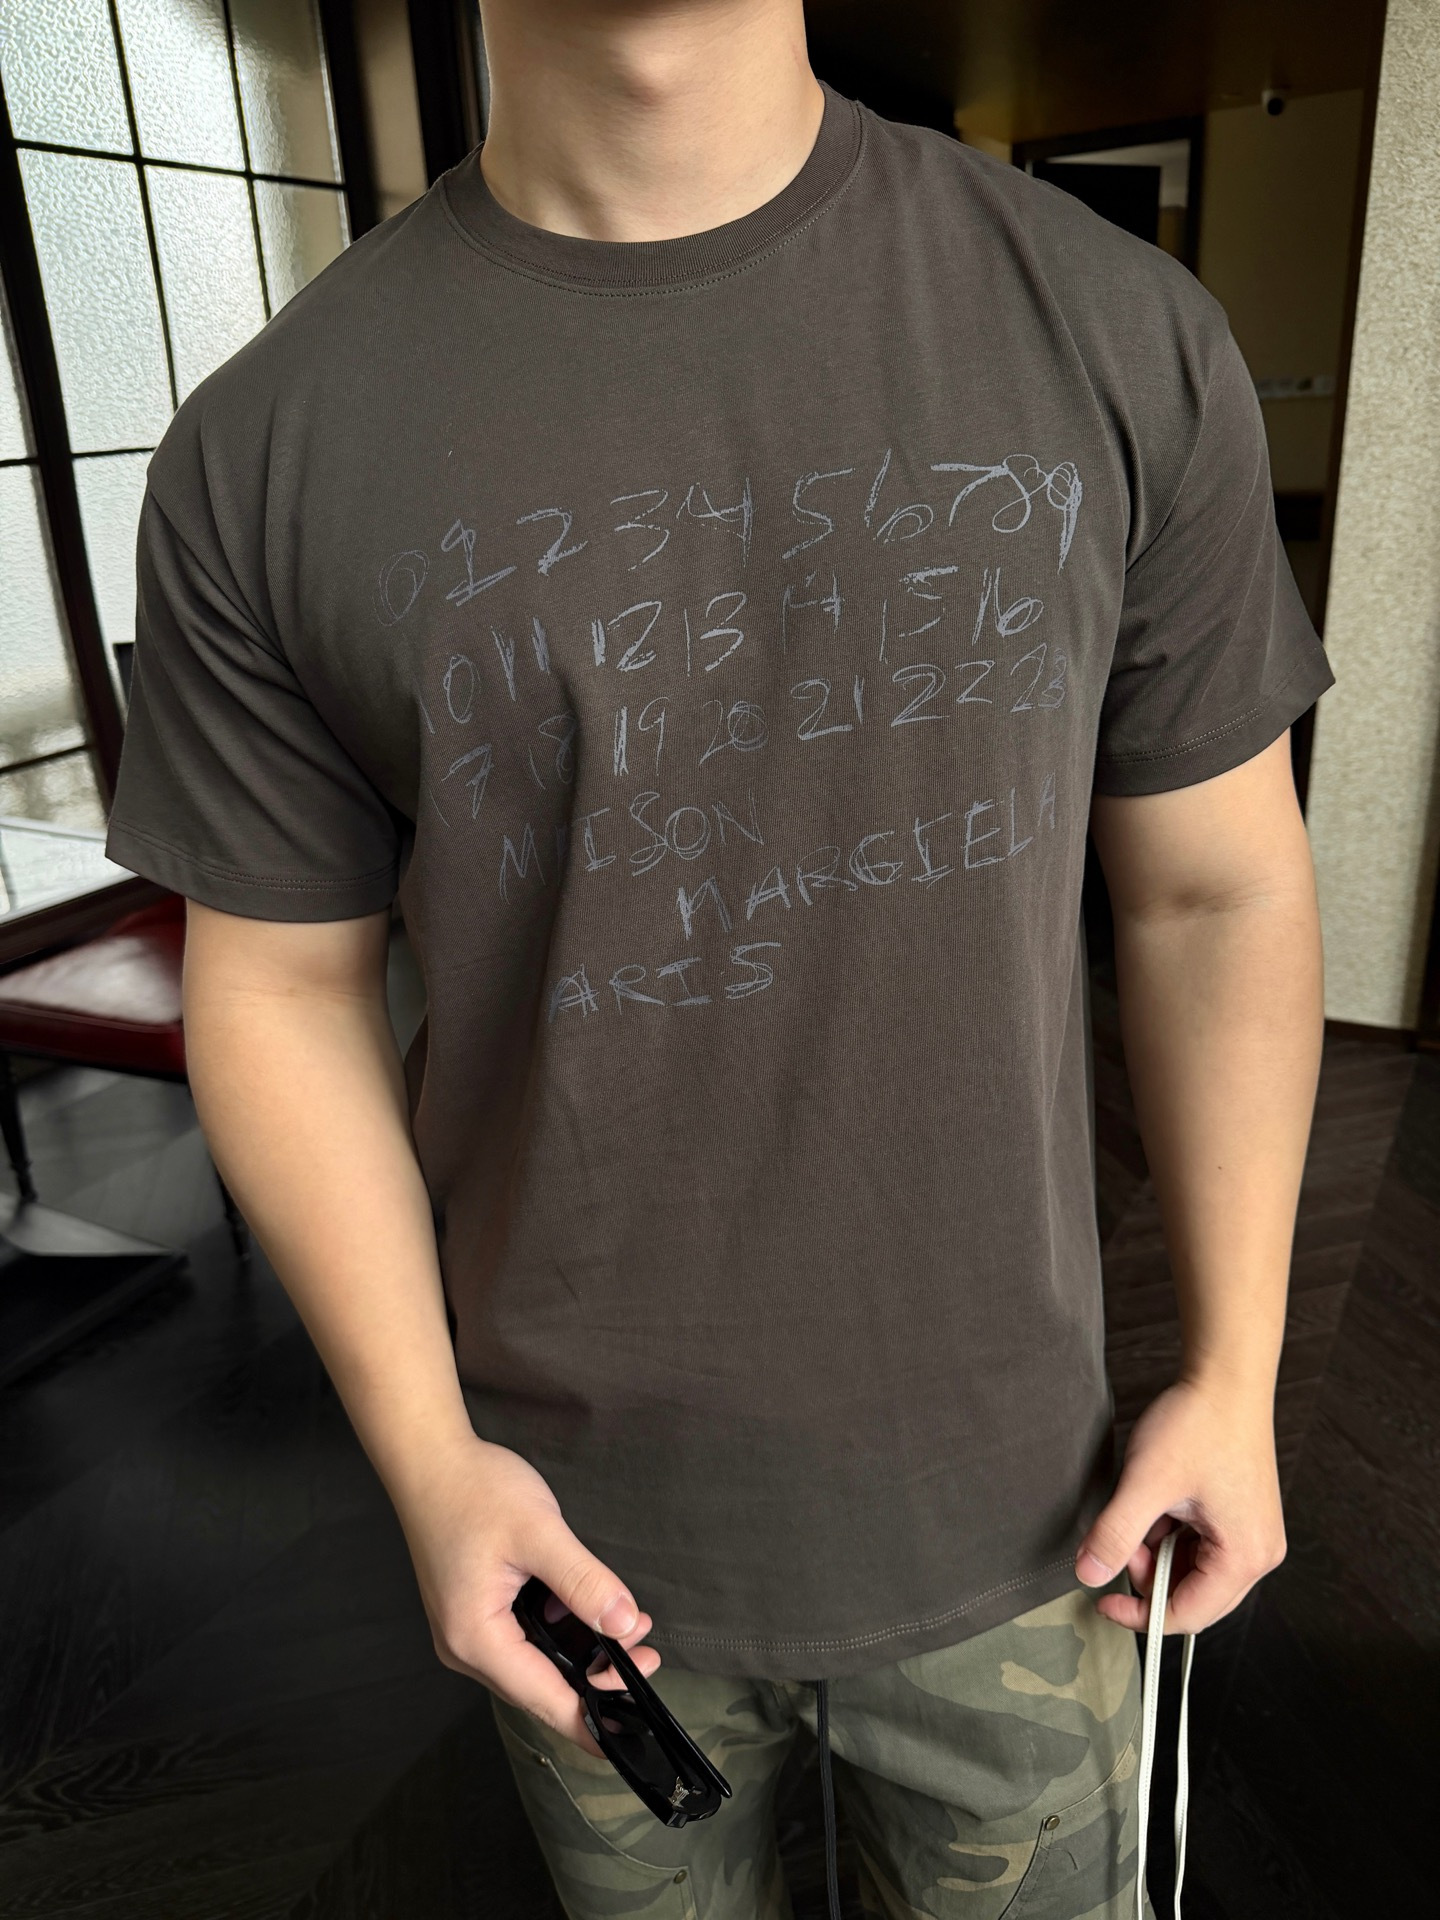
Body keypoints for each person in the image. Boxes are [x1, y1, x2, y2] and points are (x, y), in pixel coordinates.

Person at [105, 2, 1332, 1913]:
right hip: (569, 1534)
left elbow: (1216, 893)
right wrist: (428, 1463)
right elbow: (277, 986)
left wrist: (1238, 1371)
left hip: (1037, 1510)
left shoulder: (1115, 332)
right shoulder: (265, 448)